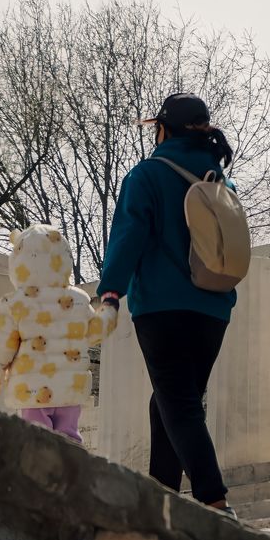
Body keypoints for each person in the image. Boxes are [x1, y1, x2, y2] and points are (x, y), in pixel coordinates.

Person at [97, 92, 237, 515]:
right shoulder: (221, 181)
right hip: (214, 307)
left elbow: (129, 236)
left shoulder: (147, 175)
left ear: (162, 129)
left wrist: (111, 291)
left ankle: (215, 500)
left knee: (178, 403)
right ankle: (162, 497)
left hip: (163, 306)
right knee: (171, 400)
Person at [0, 223, 117, 441]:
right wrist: (110, 307)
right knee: (69, 441)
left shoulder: (14, 304)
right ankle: (71, 473)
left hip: (31, 391)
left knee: (36, 442)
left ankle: (40, 474)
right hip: (70, 389)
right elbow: (95, 331)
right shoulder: (77, 300)